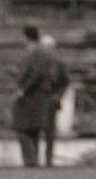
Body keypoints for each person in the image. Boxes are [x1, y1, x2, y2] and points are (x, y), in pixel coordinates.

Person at [11, 25, 68, 167]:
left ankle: (45, 162)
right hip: (36, 97)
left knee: (43, 130)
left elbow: (61, 81)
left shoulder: (49, 59)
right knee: (31, 128)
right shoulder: (33, 54)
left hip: (44, 97)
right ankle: (33, 162)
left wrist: (57, 96)